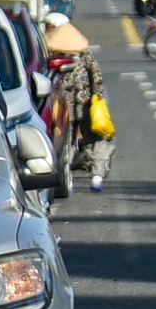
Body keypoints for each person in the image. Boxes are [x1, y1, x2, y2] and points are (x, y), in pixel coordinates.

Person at [44, 19, 112, 191]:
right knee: (96, 139)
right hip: (86, 104)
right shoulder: (84, 55)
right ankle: (97, 176)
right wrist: (98, 97)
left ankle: (66, 177)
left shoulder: (53, 55)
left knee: (66, 141)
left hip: (63, 105)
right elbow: (96, 78)